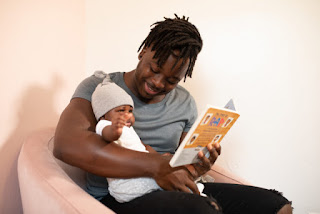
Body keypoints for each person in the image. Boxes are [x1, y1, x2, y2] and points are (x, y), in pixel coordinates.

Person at [54, 14, 292, 214]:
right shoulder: (101, 87)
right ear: (143, 52)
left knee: (275, 206)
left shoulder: (185, 101)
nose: (157, 83)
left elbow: (181, 165)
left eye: (171, 80)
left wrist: (199, 166)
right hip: (117, 197)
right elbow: (67, 145)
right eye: (154, 69)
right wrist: (156, 165)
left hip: (169, 189)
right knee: (202, 210)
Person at [91, 75, 161, 202]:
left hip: (142, 174)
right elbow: (107, 134)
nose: (127, 116)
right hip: (126, 185)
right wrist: (115, 129)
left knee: (169, 173)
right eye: (121, 110)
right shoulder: (104, 124)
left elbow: (142, 148)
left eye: (130, 111)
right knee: (167, 179)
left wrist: (162, 160)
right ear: (103, 114)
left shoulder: (128, 129)